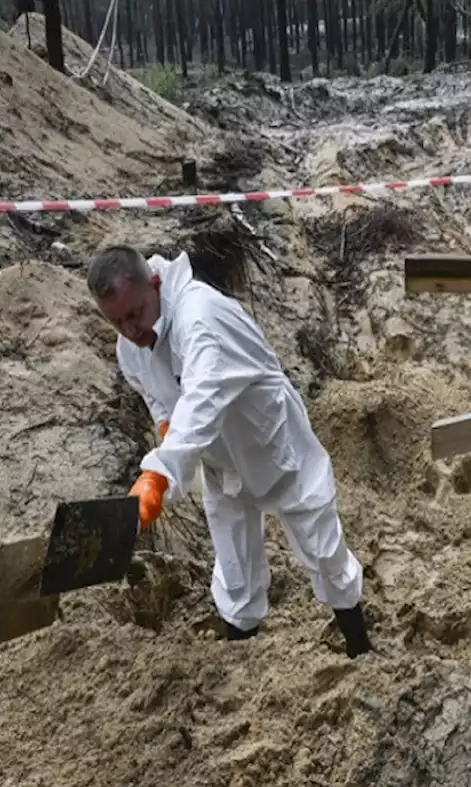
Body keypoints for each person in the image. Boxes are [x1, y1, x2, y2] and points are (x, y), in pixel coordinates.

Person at [86, 246, 373, 657]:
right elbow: (159, 397)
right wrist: (167, 428)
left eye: (134, 314)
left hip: (273, 446)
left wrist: (159, 474)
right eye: (116, 321)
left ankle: (359, 647)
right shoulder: (130, 346)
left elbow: (203, 397)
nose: (129, 329)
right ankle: (241, 663)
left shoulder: (201, 319)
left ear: (154, 283)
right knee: (235, 570)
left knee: (323, 551)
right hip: (220, 464)